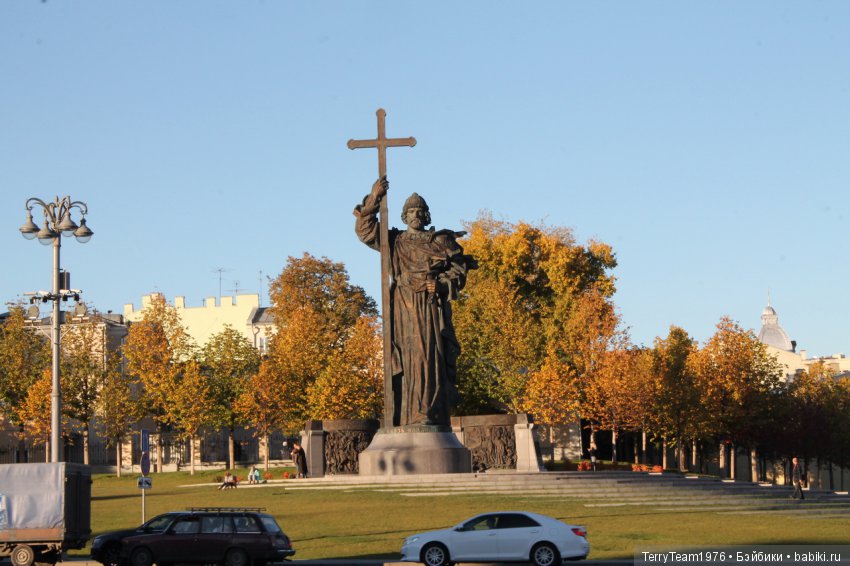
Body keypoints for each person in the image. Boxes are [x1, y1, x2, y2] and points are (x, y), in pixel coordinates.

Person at [354, 177, 475, 427]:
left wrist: (440, 285)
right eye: (411, 211)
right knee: (405, 359)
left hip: (429, 306)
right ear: (404, 216)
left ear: (427, 215)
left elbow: (459, 271)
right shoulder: (395, 241)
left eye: (420, 211)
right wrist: (374, 198)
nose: (416, 215)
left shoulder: (440, 241)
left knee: (427, 357)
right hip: (402, 307)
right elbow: (366, 232)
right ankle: (404, 417)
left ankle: (426, 413)